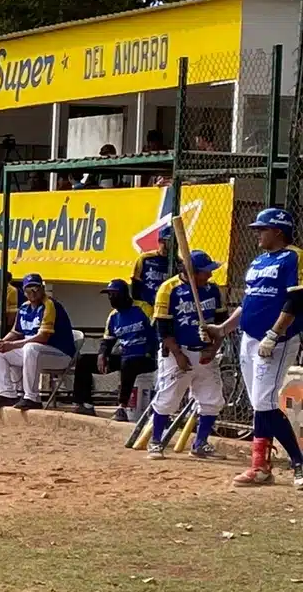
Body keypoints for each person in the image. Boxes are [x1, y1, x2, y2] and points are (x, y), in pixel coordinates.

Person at [205, 208, 303, 486]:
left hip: (276, 340)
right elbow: (248, 303)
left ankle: (298, 463)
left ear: (278, 231)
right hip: (248, 338)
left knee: (265, 403)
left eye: (262, 229)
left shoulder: (293, 257)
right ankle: (260, 467)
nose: (257, 234)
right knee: (260, 405)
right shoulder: (259, 261)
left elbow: (296, 301)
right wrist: (223, 329)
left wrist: (274, 333)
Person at [145, 249, 226, 459]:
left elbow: (222, 324)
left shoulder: (212, 290)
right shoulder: (169, 289)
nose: (209, 276)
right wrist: (178, 355)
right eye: (204, 272)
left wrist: (213, 348)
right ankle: (156, 442)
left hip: (205, 354)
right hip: (177, 352)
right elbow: (163, 328)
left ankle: (200, 444)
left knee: (212, 400)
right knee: (168, 399)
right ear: (191, 272)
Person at [0, 274, 76, 411]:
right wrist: (3, 342)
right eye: (29, 288)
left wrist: (13, 345)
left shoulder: (50, 305)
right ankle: (7, 394)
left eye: (36, 288)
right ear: (24, 291)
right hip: (34, 353)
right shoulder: (24, 307)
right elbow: (16, 332)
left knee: (31, 348)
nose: (33, 292)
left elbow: (43, 337)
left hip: (60, 354)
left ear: (42, 288)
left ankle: (32, 397)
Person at [72, 279, 153, 420]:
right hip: (124, 356)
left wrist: (150, 351)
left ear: (124, 294)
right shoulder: (113, 316)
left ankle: (122, 408)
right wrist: (102, 354)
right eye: (109, 295)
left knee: (128, 363)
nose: (111, 298)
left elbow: (156, 332)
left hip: (146, 356)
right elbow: (107, 340)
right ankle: (85, 404)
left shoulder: (142, 308)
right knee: (84, 360)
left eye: (114, 294)